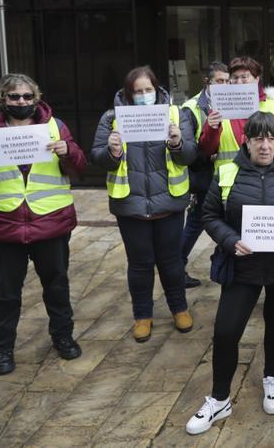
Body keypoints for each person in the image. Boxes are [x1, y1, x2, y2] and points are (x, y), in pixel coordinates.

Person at [186, 112, 274, 435]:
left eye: (271, 138)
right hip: (242, 266)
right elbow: (209, 214)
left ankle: (272, 378)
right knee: (225, 330)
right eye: (258, 138)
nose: (265, 145)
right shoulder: (227, 172)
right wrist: (230, 239)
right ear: (245, 140)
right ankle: (220, 397)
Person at [0, 74, 87, 376]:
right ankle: (2, 349)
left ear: (37, 98)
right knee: (5, 293)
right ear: (2, 99)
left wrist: (68, 153)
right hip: (3, 224)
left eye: (27, 97)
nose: (21, 102)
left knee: (57, 286)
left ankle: (63, 336)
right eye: (14, 97)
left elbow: (79, 167)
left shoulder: (56, 127)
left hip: (50, 222)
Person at [91, 65, 197, 342]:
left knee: (171, 262)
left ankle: (179, 309)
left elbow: (189, 155)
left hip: (169, 203)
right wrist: (112, 151)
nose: (143, 95)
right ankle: (142, 316)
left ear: (157, 89)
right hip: (131, 205)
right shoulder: (111, 118)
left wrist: (177, 143)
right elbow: (97, 157)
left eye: (148, 90)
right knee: (139, 265)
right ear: (128, 94)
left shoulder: (177, 114)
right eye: (137, 91)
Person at [197, 56, 274, 174]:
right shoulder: (220, 107)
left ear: (256, 79)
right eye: (235, 77)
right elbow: (206, 150)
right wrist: (211, 129)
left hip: (266, 178)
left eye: (244, 77)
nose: (239, 82)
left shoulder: (273, 107)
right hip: (229, 181)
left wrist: (270, 129)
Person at [180, 60, 229, 287]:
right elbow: (187, 150)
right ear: (207, 81)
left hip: (228, 174)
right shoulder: (191, 109)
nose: (224, 86)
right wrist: (207, 155)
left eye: (227, 81)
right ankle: (176, 268)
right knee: (196, 224)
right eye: (220, 81)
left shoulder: (234, 103)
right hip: (204, 177)